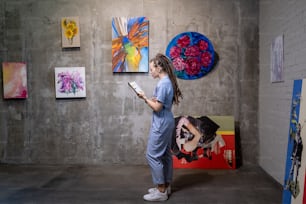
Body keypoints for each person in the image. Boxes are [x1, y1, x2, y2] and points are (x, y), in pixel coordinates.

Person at [138, 53, 183, 201]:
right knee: (164, 155)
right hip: (167, 119)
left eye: (152, 69)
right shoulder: (167, 82)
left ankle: (161, 190)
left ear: (159, 68)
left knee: (152, 155)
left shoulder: (163, 84)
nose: (150, 72)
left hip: (162, 122)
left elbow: (157, 108)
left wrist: (144, 98)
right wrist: (153, 100)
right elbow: (161, 103)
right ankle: (166, 185)